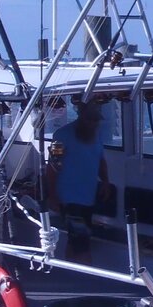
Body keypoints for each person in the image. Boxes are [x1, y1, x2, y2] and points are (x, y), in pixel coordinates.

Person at [45, 102, 112, 261]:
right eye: (90, 119)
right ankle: (88, 277)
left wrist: (106, 182)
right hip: (70, 198)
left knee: (76, 239)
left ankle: (69, 273)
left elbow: (100, 159)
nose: (93, 123)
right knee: (81, 241)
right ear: (81, 116)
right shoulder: (61, 135)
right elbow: (52, 167)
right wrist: (53, 195)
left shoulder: (97, 134)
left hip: (88, 196)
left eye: (96, 120)